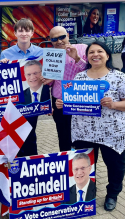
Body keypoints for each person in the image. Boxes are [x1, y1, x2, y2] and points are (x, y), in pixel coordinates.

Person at [56, 41, 125, 211]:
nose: (95, 54)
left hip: (112, 132)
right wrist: (63, 103)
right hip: (84, 132)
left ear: (107, 55)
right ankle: (86, 193)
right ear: (87, 57)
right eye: (91, 52)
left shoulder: (119, 77)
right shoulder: (80, 77)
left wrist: (114, 105)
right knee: (84, 165)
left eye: (99, 51)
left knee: (115, 165)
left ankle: (112, 194)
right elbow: (75, 102)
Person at [0, 18, 43, 157]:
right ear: (15, 33)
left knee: (30, 134)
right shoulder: (6, 54)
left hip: (32, 101)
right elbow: (0, 79)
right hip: (13, 102)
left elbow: (47, 77)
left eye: (27, 30)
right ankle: (15, 164)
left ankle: (31, 164)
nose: (24, 33)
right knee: (14, 134)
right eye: (20, 30)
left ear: (32, 33)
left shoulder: (41, 52)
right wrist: (2, 66)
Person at [41, 26, 88, 152]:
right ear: (50, 40)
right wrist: (48, 81)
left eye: (62, 37)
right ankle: (67, 164)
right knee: (63, 136)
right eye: (54, 39)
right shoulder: (50, 55)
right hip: (59, 101)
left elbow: (90, 72)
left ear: (67, 35)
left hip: (81, 99)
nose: (59, 41)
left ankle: (82, 165)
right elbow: (49, 82)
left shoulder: (82, 48)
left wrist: (77, 58)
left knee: (82, 136)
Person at [17, 60, 50, 157]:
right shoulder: (22, 96)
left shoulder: (47, 88)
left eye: (36, 73)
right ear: (25, 76)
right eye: (29, 74)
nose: (32, 77)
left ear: (41, 73)